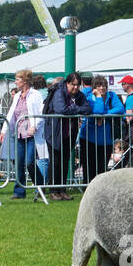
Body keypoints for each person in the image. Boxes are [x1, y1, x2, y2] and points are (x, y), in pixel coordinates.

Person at [42, 72, 92, 200]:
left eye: (77, 85)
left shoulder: (79, 95)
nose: (75, 88)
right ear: (67, 83)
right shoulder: (59, 92)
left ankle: (62, 190)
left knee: (64, 161)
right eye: (72, 85)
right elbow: (61, 110)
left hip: (69, 133)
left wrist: (74, 108)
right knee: (55, 161)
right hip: (55, 132)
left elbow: (87, 109)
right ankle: (54, 190)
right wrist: (76, 109)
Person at [1, 69, 46, 198]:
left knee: (30, 162)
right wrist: (4, 130)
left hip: (31, 134)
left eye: (18, 79)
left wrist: (35, 126)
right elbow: (11, 114)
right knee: (19, 163)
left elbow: (40, 113)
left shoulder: (35, 95)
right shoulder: (16, 96)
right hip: (19, 133)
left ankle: (40, 186)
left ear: (25, 81)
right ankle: (19, 191)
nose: (16, 82)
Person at [80, 76, 124, 185]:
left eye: (104, 86)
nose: (102, 88)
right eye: (99, 86)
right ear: (94, 87)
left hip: (106, 138)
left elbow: (120, 108)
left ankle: (100, 188)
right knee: (89, 165)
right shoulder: (89, 97)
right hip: (88, 137)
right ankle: (88, 187)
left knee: (102, 166)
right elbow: (97, 111)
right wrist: (99, 97)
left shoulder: (112, 95)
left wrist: (105, 115)